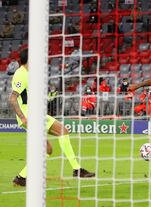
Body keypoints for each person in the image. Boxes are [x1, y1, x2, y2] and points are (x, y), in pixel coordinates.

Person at [9, 48, 95, 187]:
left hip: (35, 113)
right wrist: (23, 118)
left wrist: (50, 96)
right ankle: (77, 169)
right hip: (30, 115)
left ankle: (21, 177)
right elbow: (13, 98)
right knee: (62, 131)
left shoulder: (29, 73)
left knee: (47, 149)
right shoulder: (21, 74)